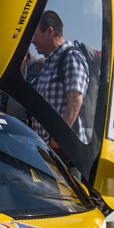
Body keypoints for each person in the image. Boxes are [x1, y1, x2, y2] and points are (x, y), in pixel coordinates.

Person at [25, 10, 90, 142]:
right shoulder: (48, 62)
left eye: (35, 35)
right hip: (47, 148)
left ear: (50, 32)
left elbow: (75, 102)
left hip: (66, 151)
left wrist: (58, 140)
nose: (32, 41)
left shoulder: (71, 57)